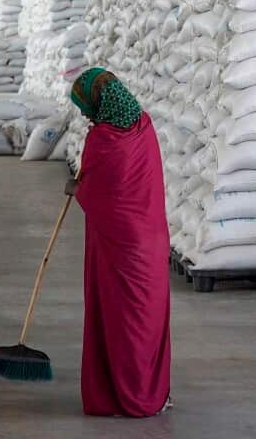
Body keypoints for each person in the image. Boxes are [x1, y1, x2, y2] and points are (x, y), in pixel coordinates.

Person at [69, 68, 172, 417]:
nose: (84, 114)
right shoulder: (144, 126)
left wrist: (76, 188)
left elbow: (98, 191)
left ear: (98, 104)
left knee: (119, 318)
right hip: (151, 243)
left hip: (119, 248)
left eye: (84, 106)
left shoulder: (101, 138)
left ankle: (123, 395)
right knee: (147, 318)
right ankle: (151, 391)